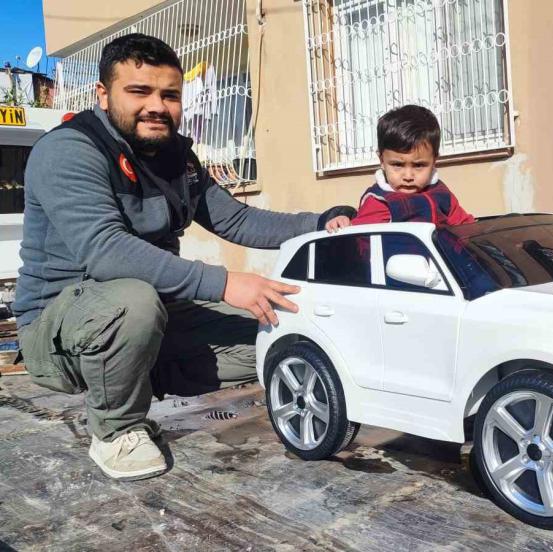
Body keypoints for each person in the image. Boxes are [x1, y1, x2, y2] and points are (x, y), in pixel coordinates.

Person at [14, 34, 350, 481]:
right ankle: (116, 430)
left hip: (155, 313)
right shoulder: (69, 150)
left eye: (169, 95)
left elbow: (237, 220)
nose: (157, 106)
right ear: (103, 94)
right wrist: (225, 283)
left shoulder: (176, 158)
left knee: (279, 331)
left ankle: (132, 375)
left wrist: (323, 222)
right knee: (133, 302)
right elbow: (107, 251)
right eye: (139, 91)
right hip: (59, 329)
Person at [325, 104, 474, 232]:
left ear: (434, 161)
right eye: (397, 165)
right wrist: (345, 224)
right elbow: (360, 240)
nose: (408, 176)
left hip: (439, 257)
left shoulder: (442, 193)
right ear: (382, 161)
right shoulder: (380, 201)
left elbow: (465, 227)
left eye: (418, 165)